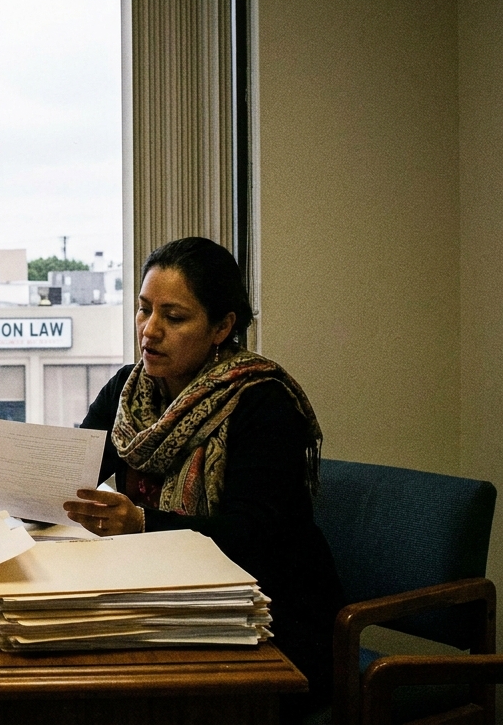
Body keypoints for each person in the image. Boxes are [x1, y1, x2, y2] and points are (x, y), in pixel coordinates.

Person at [61, 237, 342, 721]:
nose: (149, 331)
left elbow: (250, 536)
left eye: (174, 317)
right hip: (168, 603)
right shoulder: (129, 393)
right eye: (144, 310)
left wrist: (142, 523)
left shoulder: (262, 402)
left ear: (222, 327)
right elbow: (70, 478)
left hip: (270, 621)